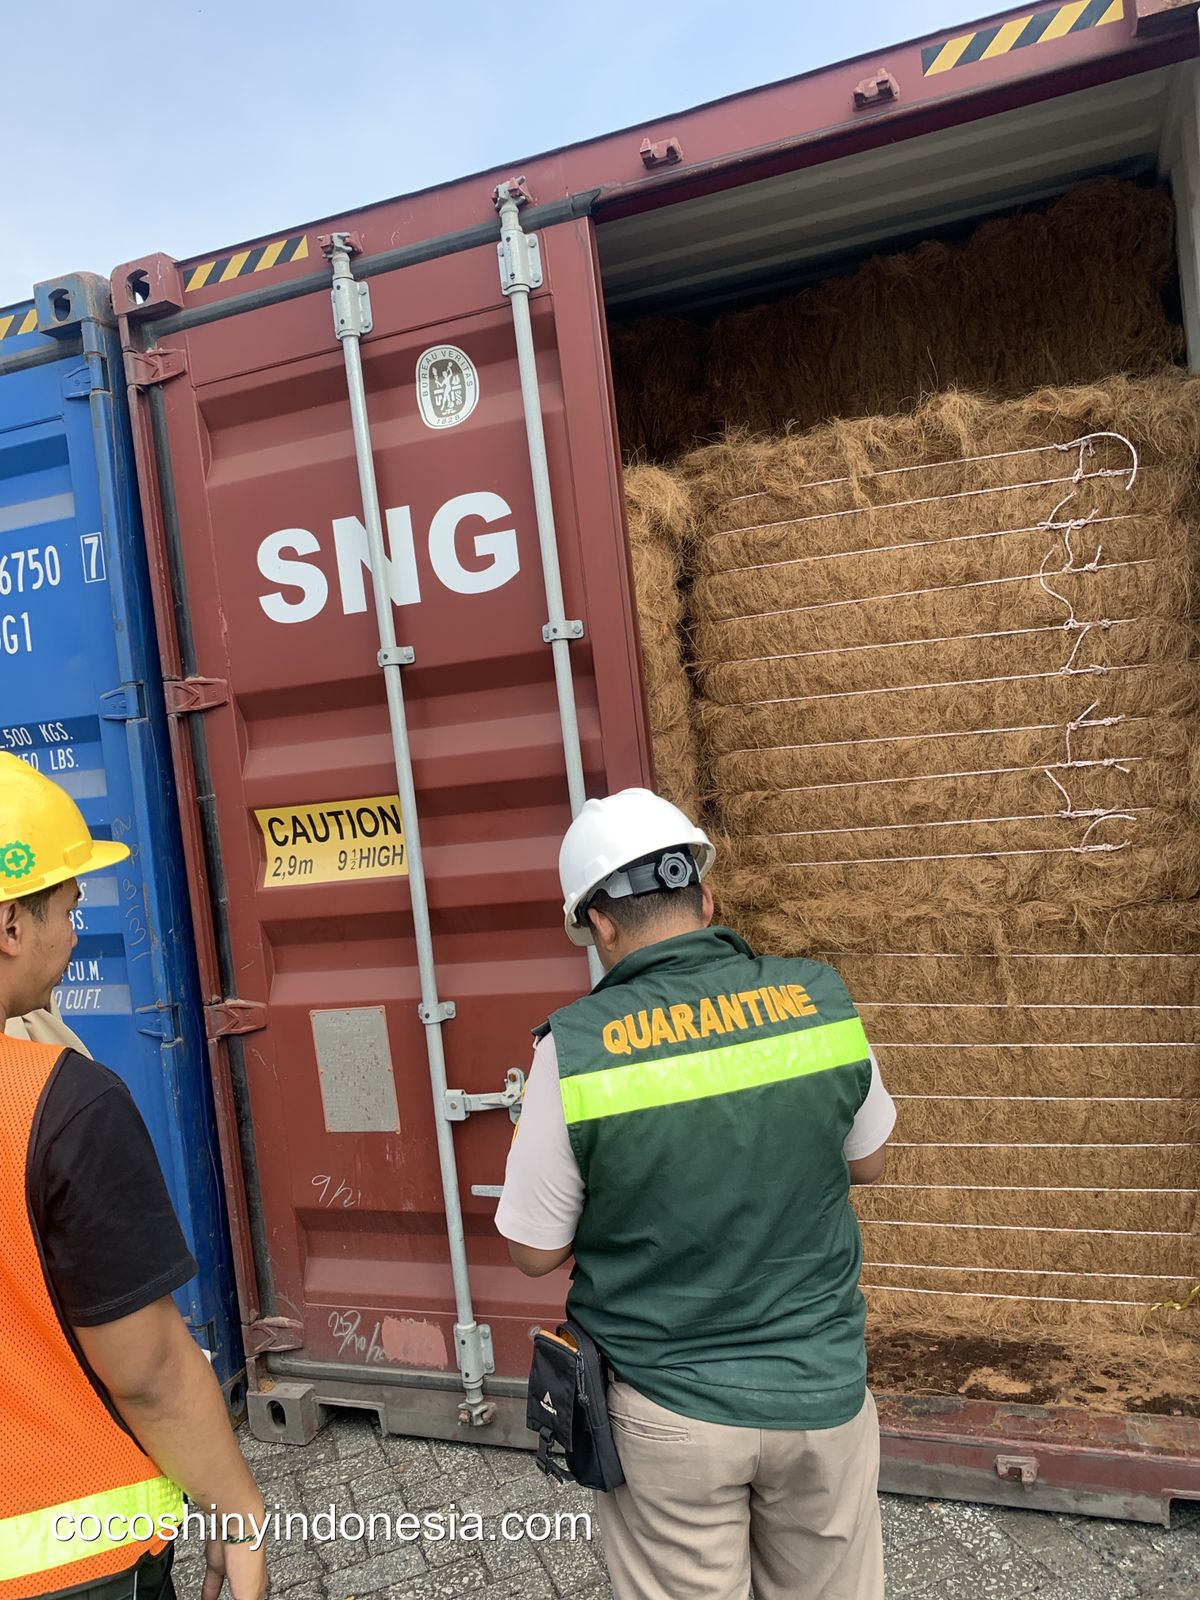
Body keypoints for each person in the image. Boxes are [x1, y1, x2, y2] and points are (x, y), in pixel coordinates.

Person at [495, 788, 895, 1600]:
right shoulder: (819, 998)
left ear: (600, 924)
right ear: (705, 897)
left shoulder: (574, 1050)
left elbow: (535, 1252)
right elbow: (871, 1160)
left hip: (668, 1409)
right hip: (820, 1393)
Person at [0, 752, 268, 1600]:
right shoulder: (60, 1105)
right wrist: (236, 1512)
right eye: (68, 908)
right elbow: (149, 1370)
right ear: (10, 925)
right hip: (61, 1559)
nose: (76, 934)